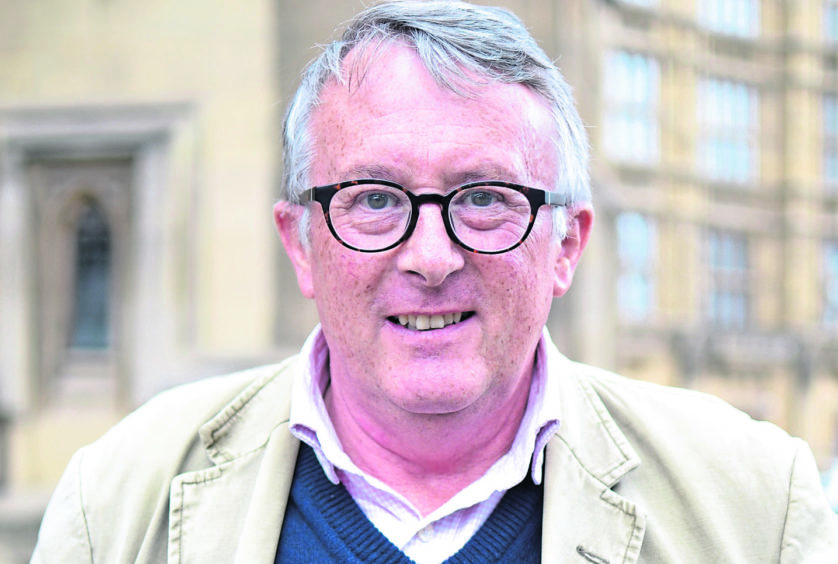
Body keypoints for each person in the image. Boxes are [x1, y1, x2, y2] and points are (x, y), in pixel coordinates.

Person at [32, 1, 838, 562]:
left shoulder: (759, 509)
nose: (429, 256)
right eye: (375, 199)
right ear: (301, 243)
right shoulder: (117, 501)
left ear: (566, 244)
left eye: (485, 199)